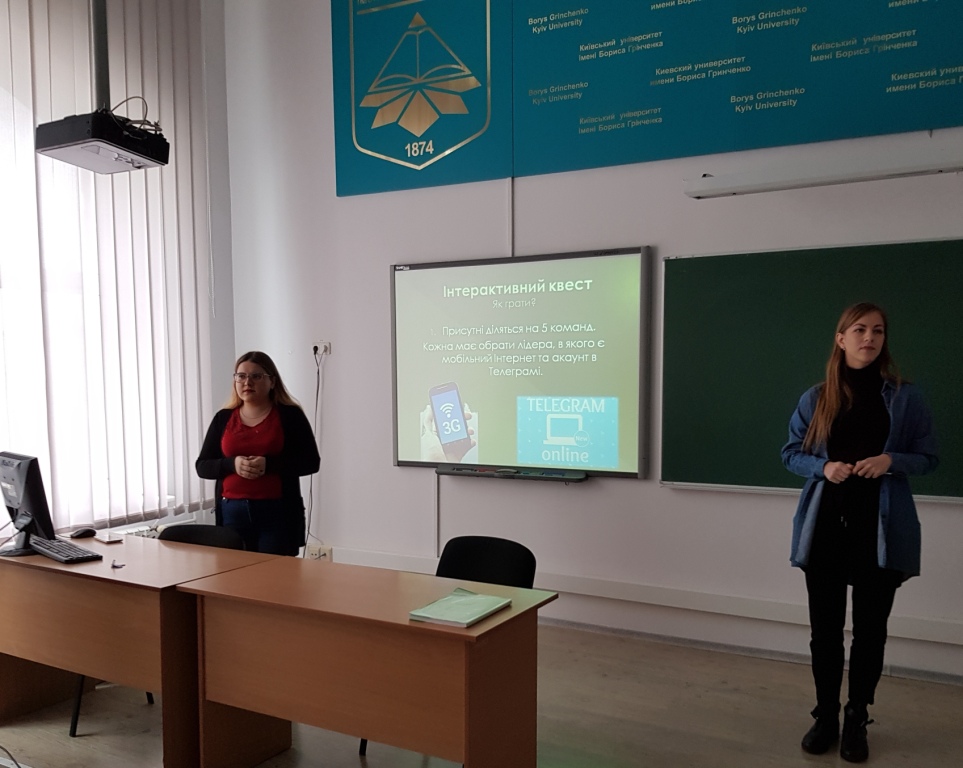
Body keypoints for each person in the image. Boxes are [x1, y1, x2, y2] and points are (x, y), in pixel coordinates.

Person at [782, 303, 938, 763]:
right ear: (841, 338)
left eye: (878, 331)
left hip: (881, 531)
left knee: (870, 633)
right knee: (825, 632)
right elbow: (790, 453)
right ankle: (825, 716)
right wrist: (823, 467)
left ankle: (856, 718)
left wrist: (892, 461)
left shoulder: (905, 398)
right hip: (825, 528)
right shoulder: (817, 397)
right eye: (860, 329)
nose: (869, 338)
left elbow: (929, 456)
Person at [196, 351, 320, 555]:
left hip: (277, 512)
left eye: (256, 376)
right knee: (235, 572)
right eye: (241, 376)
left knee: (273, 573)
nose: (247, 382)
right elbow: (202, 466)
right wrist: (232, 464)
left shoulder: (290, 416)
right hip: (232, 513)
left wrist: (269, 465)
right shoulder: (223, 418)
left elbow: (311, 462)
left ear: (272, 382)